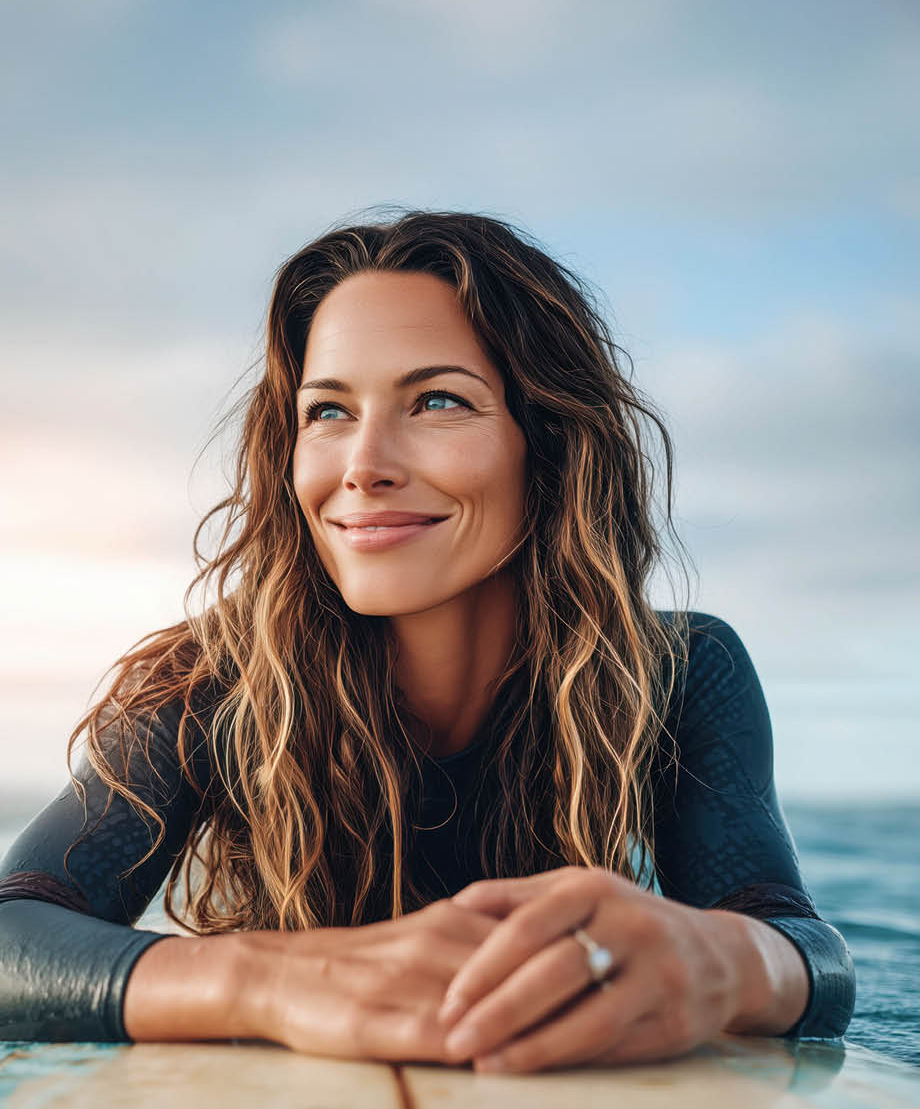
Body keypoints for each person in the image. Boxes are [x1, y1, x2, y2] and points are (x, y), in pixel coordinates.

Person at [0, 208, 855, 1073]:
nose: (363, 463)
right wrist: (266, 983)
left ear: (548, 442)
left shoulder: (678, 671)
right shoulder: (208, 677)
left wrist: (718, 957)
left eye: (437, 400)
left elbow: (799, 944)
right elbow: (12, 933)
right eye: (328, 410)